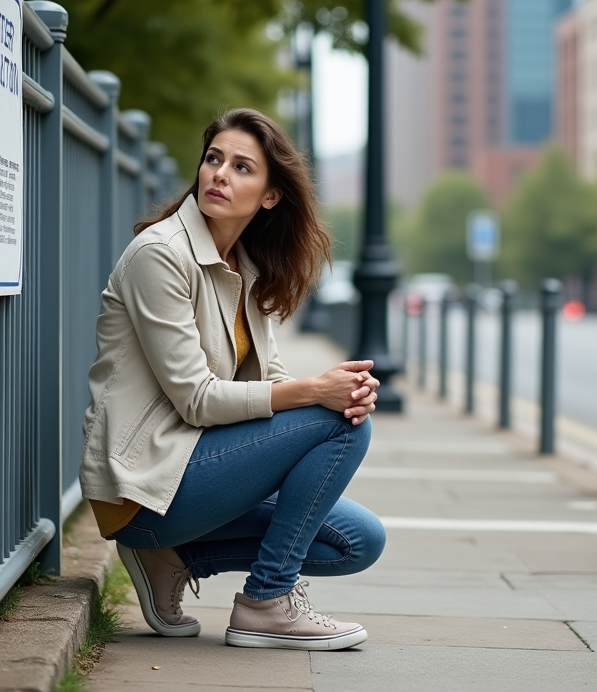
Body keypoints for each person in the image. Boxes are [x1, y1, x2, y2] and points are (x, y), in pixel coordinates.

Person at [78, 108, 385, 651]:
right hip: (144, 485)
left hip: (190, 477)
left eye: (243, 167)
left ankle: (174, 557)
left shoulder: (243, 266)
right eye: (214, 159)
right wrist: (319, 393)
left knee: (358, 540)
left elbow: (270, 378)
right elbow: (196, 399)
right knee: (340, 425)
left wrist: (342, 392)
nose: (220, 174)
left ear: (270, 195)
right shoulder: (160, 255)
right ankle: (267, 602)